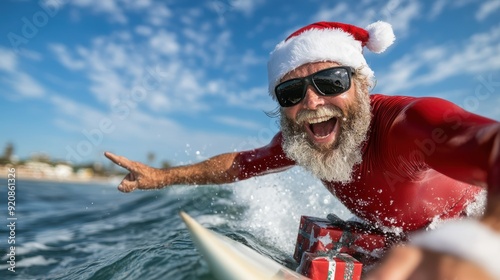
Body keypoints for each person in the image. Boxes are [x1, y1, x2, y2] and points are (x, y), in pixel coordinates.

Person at [105, 21, 500, 280]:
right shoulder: (304, 141)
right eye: (292, 92)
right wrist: (161, 177)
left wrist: (476, 246)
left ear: (362, 85)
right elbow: (240, 165)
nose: (311, 102)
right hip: (395, 237)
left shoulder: (409, 124)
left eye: (331, 82)